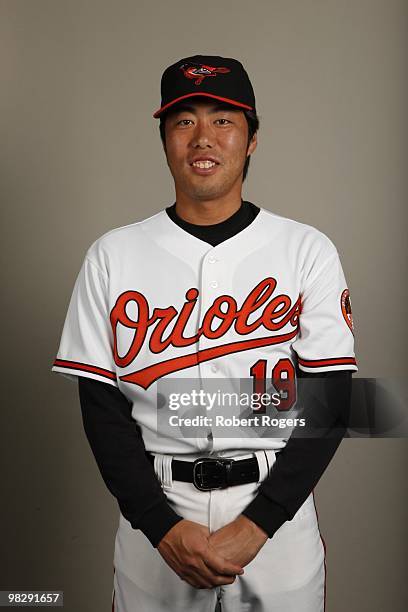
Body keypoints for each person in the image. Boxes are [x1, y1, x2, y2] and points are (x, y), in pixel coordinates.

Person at [52, 55, 357, 611]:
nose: (202, 137)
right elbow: (100, 406)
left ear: (252, 138)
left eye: (223, 119)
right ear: (164, 138)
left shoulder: (305, 250)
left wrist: (260, 523)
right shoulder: (112, 256)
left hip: (275, 520)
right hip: (157, 519)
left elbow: (330, 398)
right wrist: (159, 526)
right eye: (184, 120)